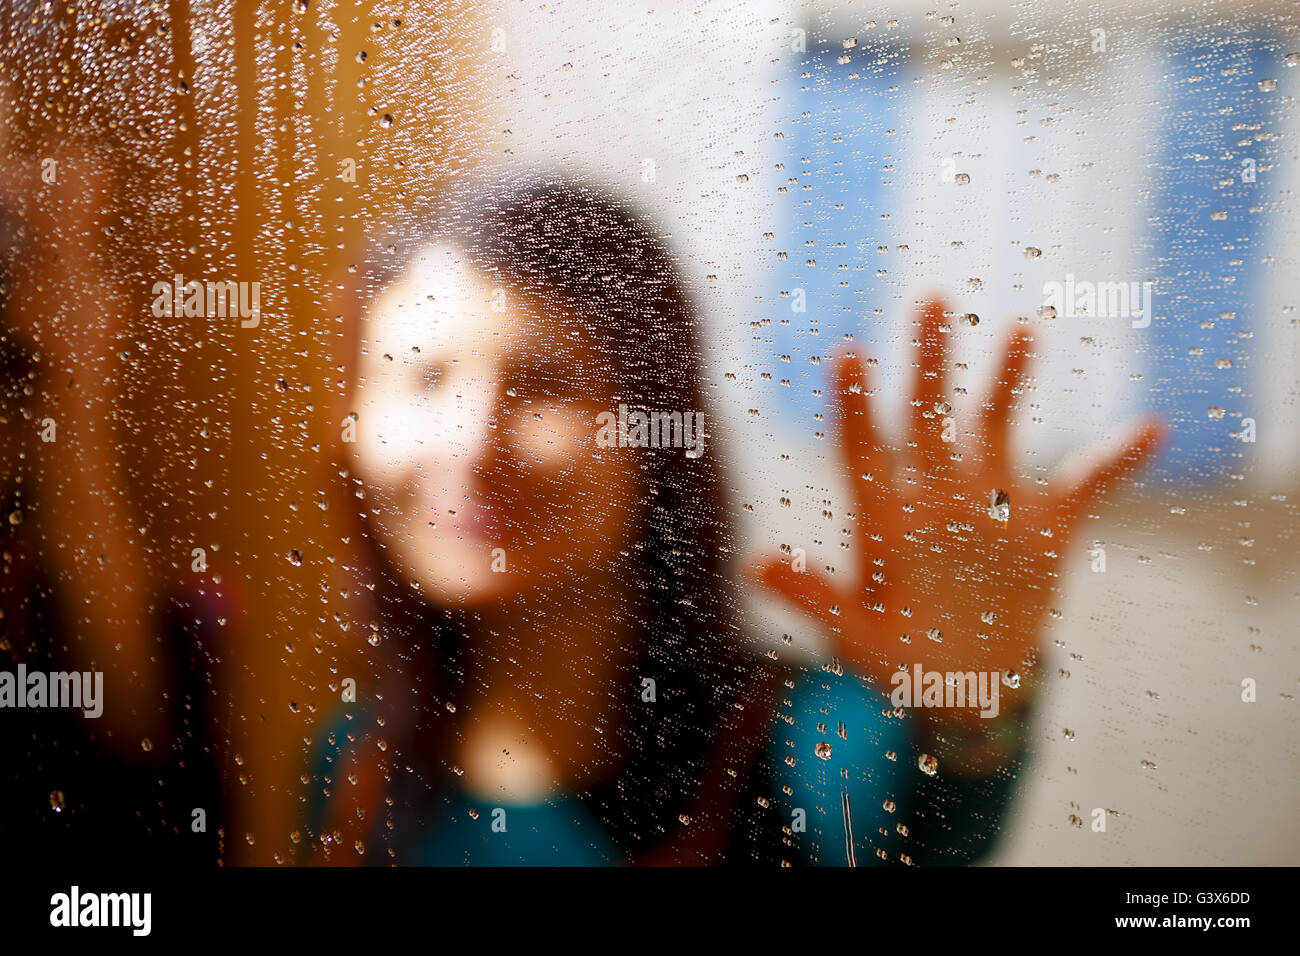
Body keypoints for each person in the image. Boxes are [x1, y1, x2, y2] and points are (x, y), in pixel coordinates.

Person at [310, 176, 1162, 865]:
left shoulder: (806, 745)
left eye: (544, 384)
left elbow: (935, 833)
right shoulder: (354, 760)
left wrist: (969, 702)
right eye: (420, 379)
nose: (471, 442)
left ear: (657, 432)